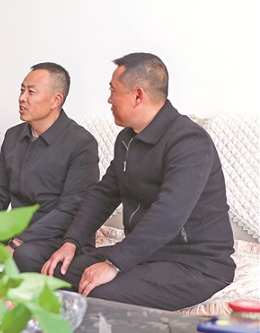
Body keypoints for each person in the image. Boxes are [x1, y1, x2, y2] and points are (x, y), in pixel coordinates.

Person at [41, 52, 235, 310]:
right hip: (146, 253)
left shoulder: (189, 141)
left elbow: (169, 214)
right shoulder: (127, 139)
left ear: (138, 95)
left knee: (100, 291)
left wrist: (114, 264)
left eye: (113, 91)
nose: (109, 99)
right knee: (54, 274)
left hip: (196, 264)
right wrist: (72, 241)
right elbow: (104, 195)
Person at [0, 62, 100, 271]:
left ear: (56, 100)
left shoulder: (81, 143)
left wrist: (20, 241)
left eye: (31, 92)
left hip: (57, 236)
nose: (22, 98)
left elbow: (71, 209)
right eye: (22, 90)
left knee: (24, 255)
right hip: (17, 233)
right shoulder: (13, 136)